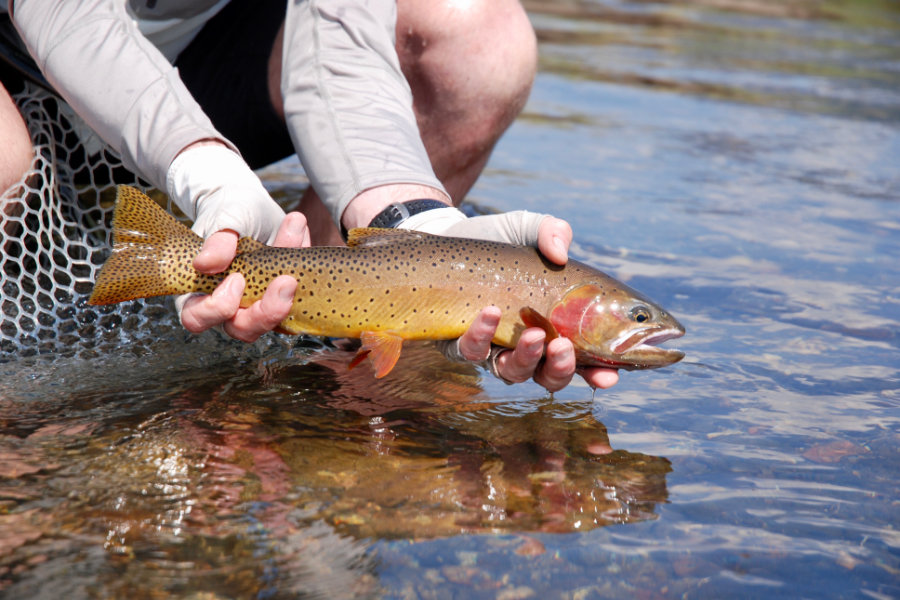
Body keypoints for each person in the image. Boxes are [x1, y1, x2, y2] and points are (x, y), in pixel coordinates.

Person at [0, 0, 618, 393]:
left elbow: (342, 23)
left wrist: (410, 214)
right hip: (26, 51)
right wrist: (206, 171)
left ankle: (321, 349)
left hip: (210, 59)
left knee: (480, 38)